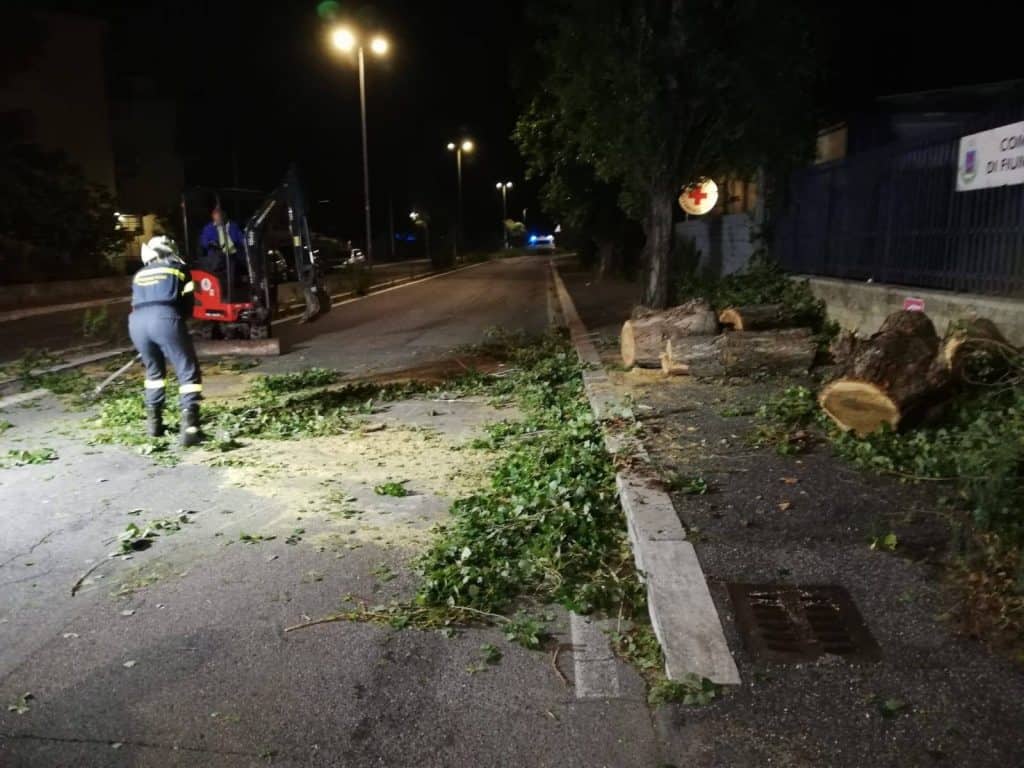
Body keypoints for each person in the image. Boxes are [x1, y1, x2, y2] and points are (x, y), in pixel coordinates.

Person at [128, 236, 203, 446]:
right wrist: (178, 324)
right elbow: (187, 303)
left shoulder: (139, 274)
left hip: (137, 323)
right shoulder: (179, 269)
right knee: (187, 370)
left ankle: (154, 424)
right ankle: (190, 428)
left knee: (154, 373)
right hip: (165, 317)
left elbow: (136, 303)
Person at [197, 205, 245, 276]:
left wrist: (241, 243)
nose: (217, 222)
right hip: (216, 254)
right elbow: (203, 240)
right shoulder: (208, 228)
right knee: (218, 260)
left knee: (232, 261)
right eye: (215, 220)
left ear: (224, 216)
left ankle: (231, 282)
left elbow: (241, 239)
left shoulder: (233, 226)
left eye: (219, 219)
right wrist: (210, 243)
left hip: (232, 254)